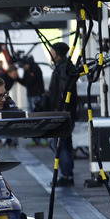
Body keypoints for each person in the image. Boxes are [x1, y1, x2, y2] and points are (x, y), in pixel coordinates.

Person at [47, 42, 77, 186]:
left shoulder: (63, 69)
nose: (51, 52)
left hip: (62, 111)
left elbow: (62, 92)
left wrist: (59, 110)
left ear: (57, 53)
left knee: (60, 143)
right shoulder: (65, 66)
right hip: (66, 111)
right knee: (65, 143)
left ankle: (66, 175)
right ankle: (68, 174)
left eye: (52, 50)